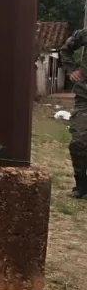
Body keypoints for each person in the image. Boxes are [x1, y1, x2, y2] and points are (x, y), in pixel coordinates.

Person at [59, 28, 87, 197]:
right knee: (78, 142)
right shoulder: (84, 34)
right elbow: (65, 49)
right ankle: (81, 186)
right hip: (85, 97)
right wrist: (71, 70)